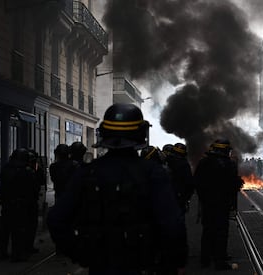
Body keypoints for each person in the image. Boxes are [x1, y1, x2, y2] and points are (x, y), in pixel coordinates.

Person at [47, 103, 186, 275]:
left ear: (103, 133)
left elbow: (56, 219)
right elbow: (172, 224)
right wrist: (175, 261)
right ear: (142, 133)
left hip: (101, 266)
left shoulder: (87, 172)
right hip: (143, 265)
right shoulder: (154, 173)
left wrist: (81, 254)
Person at [194, 139, 243, 270]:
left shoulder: (204, 162)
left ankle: (205, 259)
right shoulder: (229, 165)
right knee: (221, 232)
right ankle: (220, 260)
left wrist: (203, 198)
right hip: (222, 204)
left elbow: (197, 182)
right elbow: (234, 186)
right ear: (226, 150)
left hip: (208, 203)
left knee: (207, 230)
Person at [0, 148, 37, 262]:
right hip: (21, 205)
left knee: (5, 229)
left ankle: (2, 252)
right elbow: (32, 189)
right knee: (18, 230)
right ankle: (17, 254)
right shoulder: (27, 171)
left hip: (7, 203)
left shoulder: (6, 168)